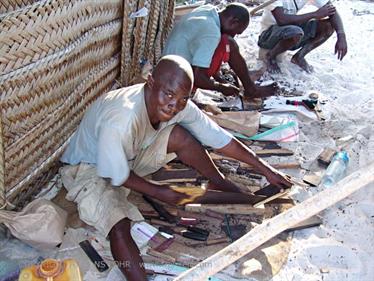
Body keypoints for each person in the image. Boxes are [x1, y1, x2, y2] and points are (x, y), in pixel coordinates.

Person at [60, 55, 292, 280]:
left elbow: (219, 138)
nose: (174, 105)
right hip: (89, 168)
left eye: (183, 98)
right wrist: (160, 192)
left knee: (181, 135)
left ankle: (219, 183)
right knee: (119, 225)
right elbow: (117, 176)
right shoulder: (122, 119)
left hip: (129, 155)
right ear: (150, 81)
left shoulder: (177, 105)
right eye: (169, 93)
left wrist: (265, 169)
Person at [163, 3, 277, 99]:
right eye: (237, 32)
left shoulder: (207, 10)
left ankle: (249, 86)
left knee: (223, 42)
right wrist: (221, 87)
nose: (235, 36)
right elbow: (198, 78)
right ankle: (251, 89)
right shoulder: (212, 32)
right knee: (228, 43)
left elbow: (200, 49)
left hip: (165, 70)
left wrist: (219, 78)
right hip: (175, 83)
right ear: (234, 22)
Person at [258, 0, 347, 73]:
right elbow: (282, 20)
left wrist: (341, 36)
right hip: (267, 35)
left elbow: (332, 11)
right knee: (295, 31)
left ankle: (299, 57)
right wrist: (315, 14)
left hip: (289, 31)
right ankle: (270, 57)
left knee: (328, 26)